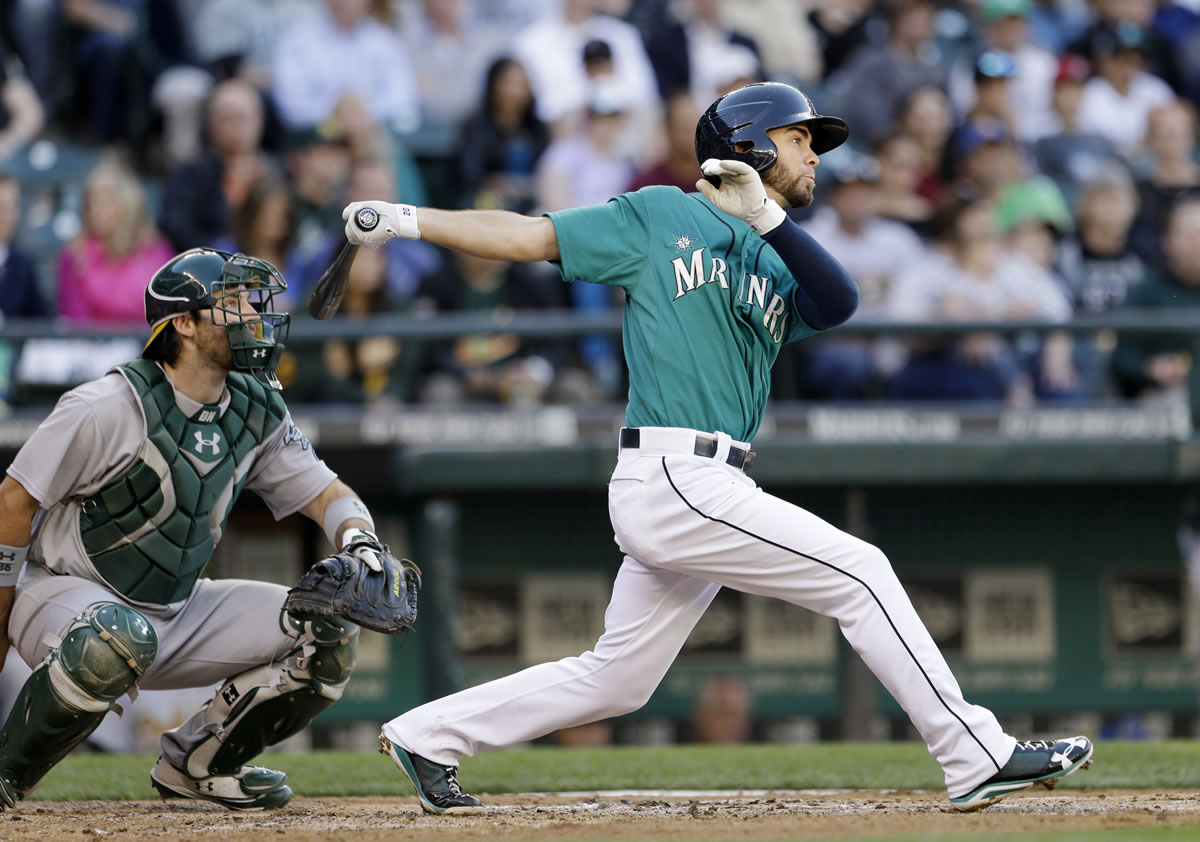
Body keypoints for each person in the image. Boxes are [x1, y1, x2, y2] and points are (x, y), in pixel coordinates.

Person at [342, 81, 1094, 814]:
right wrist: (407, 220)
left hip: (702, 481)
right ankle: (974, 755)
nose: (815, 158)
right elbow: (529, 234)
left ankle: (425, 735)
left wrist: (767, 214)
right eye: (799, 141)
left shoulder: (775, 250)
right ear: (750, 146)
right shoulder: (658, 214)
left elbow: (839, 302)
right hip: (676, 472)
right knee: (862, 573)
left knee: (618, 680)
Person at [0, 248, 386, 811]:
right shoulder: (108, 404)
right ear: (182, 323)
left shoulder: (256, 408)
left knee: (327, 630)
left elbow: (328, 493)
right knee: (115, 637)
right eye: (232, 304)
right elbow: (14, 499)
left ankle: (200, 764)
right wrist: (2, 608)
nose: (253, 317)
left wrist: (360, 542)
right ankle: (7, 772)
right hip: (64, 591)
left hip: (177, 610)